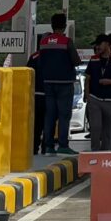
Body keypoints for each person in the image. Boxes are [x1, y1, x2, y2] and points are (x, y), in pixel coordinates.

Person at [32, 12, 79, 156]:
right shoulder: (67, 42)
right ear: (64, 26)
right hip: (64, 83)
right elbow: (76, 60)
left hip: (48, 83)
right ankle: (63, 145)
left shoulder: (44, 42)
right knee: (64, 115)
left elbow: (40, 61)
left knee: (50, 115)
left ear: (52, 25)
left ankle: (49, 146)